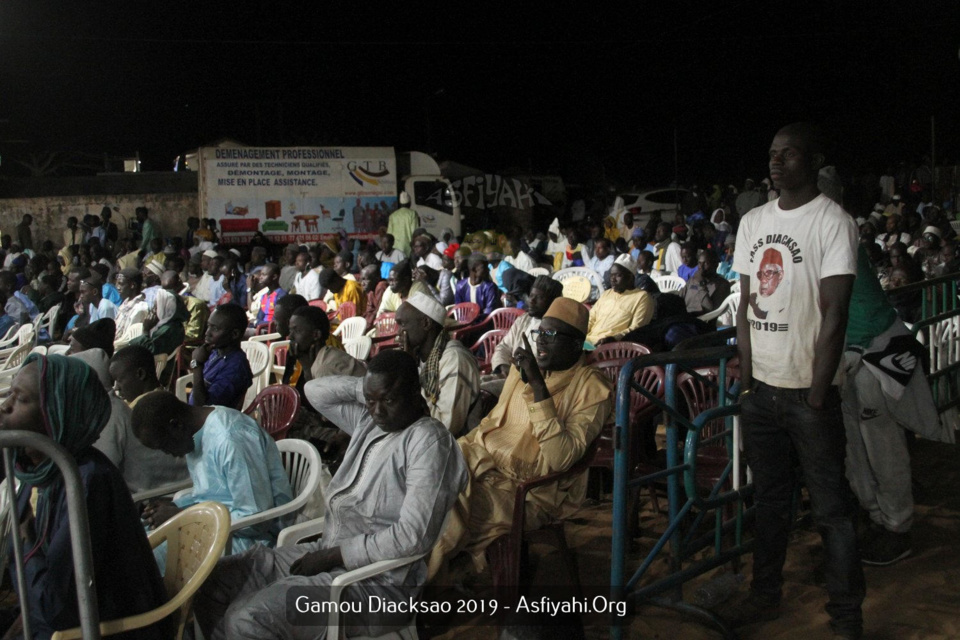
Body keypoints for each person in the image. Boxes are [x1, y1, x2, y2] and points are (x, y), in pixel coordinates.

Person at [192, 350, 468, 639]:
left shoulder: (429, 442)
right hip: (330, 552)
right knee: (213, 581)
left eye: (388, 400)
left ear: (415, 393)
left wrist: (336, 555)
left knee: (248, 620)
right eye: (371, 402)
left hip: (377, 586)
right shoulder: (371, 422)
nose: (378, 411)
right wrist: (368, 389)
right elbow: (314, 391)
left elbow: (413, 536)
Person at [729, 123, 865, 639]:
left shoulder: (833, 222)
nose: (777, 162)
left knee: (832, 512)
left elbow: (835, 313)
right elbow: (744, 306)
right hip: (761, 393)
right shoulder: (753, 222)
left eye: (788, 154)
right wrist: (745, 378)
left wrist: (815, 391)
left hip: (809, 395)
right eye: (772, 155)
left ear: (812, 160)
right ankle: (765, 596)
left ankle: (847, 618)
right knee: (768, 503)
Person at [428, 298, 613, 578]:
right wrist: (456, 453)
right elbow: (493, 423)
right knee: (426, 487)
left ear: (576, 345)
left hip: (531, 492)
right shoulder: (523, 368)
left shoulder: (592, 387)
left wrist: (538, 387)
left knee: (442, 517)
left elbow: (560, 458)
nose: (541, 342)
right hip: (483, 464)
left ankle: (415, 594)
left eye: (551, 336)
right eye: (540, 333)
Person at [2, 354, 170, 639]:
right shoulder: (40, 470)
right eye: (9, 395)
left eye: (21, 399)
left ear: (57, 412)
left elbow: (59, 610)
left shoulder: (84, 481)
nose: (5, 406)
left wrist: (26, 541)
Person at [841, 246, 949, 566]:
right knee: (855, 448)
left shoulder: (837, 238)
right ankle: (881, 520)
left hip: (870, 353)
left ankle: (896, 526)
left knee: (881, 448)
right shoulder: (833, 233)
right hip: (846, 356)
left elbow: (859, 308)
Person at [132, 390, 293, 558]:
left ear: (176, 425)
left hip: (248, 539)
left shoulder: (230, 438)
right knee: (135, 536)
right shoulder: (193, 432)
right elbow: (211, 497)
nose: (167, 453)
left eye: (163, 445)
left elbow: (256, 519)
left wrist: (184, 517)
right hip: (217, 525)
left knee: (145, 557)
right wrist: (175, 507)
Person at [396, 292, 480, 436]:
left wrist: (410, 374)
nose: (398, 333)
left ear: (426, 323)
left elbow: (444, 427)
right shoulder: (420, 357)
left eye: (402, 324)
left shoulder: (455, 360)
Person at [482, 275, 564, 397]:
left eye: (539, 297)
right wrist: (503, 365)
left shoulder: (556, 330)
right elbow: (503, 346)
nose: (531, 300)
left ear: (552, 302)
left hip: (530, 385)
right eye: (531, 295)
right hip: (509, 376)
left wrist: (517, 373)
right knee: (473, 385)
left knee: (480, 392)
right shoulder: (524, 320)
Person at [189, 304, 254, 409]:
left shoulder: (236, 367)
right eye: (208, 326)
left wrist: (197, 364)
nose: (207, 333)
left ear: (234, 334)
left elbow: (202, 407)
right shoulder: (215, 352)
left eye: (215, 329)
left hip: (211, 423)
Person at [586, 254, 654, 346]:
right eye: (611, 275)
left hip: (611, 347)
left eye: (618, 275)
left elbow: (637, 329)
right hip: (587, 342)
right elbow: (591, 318)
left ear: (630, 277)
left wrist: (614, 339)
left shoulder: (642, 297)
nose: (613, 279)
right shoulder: (607, 294)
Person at [128, 285, 188, 356]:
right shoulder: (166, 324)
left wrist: (146, 329)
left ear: (166, 308)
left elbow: (149, 350)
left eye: (156, 306)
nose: (153, 310)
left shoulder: (170, 328)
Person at [680, 250, 732, 315]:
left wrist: (701, 284)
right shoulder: (693, 280)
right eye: (699, 263)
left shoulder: (722, 284)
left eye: (706, 263)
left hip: (702, 320)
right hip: (684, 317)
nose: (701, 267)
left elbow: (711, 310)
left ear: (715, 265)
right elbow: (679, 297)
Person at [454, 255, 502, 321]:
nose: (488, 269)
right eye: (484, 267)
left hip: (485, 325)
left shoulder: (490, 287)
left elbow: (489, 313)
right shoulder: (460, 286)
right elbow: (459, 310)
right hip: (467, 324)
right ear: (474, 269)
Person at [387, 191, 420, 256]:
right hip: (408, 248)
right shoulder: (413, 213)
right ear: (409, 203)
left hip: (395, 247)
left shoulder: (393, 215)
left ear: (400, 203)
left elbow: (389, 234)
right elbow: (415, 232)